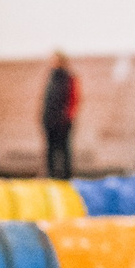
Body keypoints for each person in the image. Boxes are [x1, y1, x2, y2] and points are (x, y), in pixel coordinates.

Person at [40, 50, 78, 180]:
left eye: (55, 59)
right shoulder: (51, 77)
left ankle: (66, 176)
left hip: (63, 121)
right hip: (50, 120)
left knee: (64, 149)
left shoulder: (69, 78)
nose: (52, 62)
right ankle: (51, 175)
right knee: (50, 149)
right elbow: (47, 100)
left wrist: (67, 118)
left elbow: (74, 99)